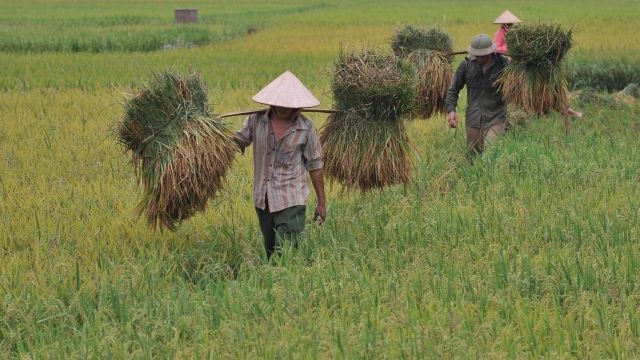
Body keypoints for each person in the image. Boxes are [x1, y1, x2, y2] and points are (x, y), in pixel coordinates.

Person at [234, 71, 327, 259]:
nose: (283, 107)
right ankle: (270, 284)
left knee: (287, 255)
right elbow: (237, 141)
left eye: (289, 103)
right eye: (280, 102)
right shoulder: (256, 120)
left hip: (291, 199)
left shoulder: (306, 128)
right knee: (271, 252)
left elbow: (315, 166)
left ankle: (287, 285)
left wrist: (321, 202)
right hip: (263, 199)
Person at [493, 10, 583, 119]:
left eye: (512, 23)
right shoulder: (500, 34)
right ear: (504, 23)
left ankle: (565, 113)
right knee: (520, 93)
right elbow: (497, 48)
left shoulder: (515, 33)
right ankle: (539, 113)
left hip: (522, 63)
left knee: (549, 95)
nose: (511, 25)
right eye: (509, 23)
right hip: (510, 64)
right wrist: (510, 50)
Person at [445, 34, 509, 155]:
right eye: (476, 55)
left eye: (481, 56)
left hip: (496, 117)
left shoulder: (503, 64)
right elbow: (453, 89)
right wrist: (451, 110)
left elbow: (518, 84)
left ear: (489, 53)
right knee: (473, 155)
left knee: (490, 153)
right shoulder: (466, 65)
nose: (477, 58)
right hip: (473, 118)